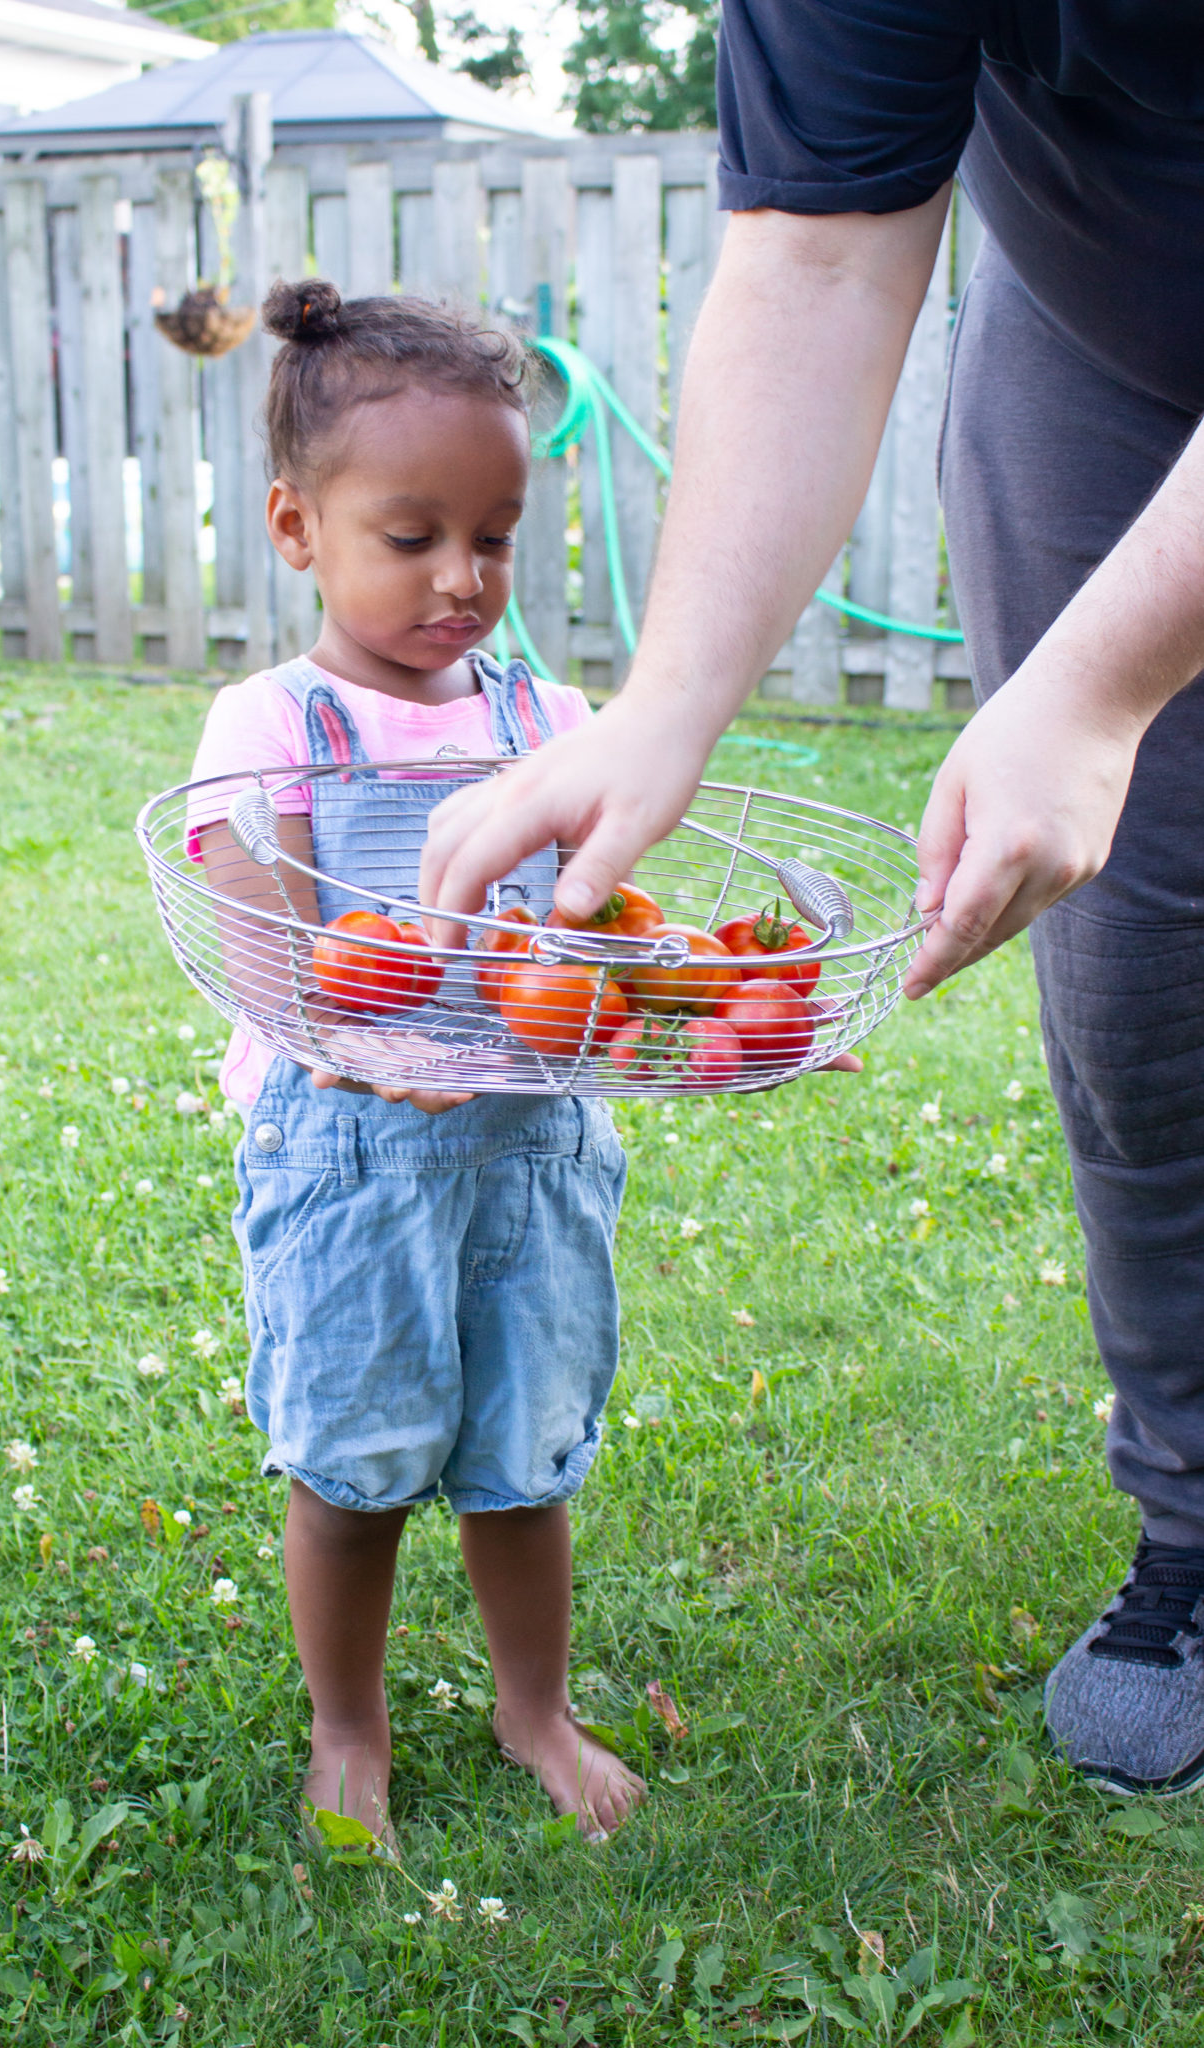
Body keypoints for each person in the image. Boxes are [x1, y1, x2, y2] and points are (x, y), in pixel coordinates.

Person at [421, 9, 1204, 1796]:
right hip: (1096, 333)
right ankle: (1197, 1530)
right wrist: (667, 699)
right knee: (1139, 982)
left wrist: (1088, 694)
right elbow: (821, 253)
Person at [185, 279, 643, 1848]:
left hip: (530, 1151)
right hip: (350, 1164)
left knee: (524, 1457)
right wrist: (355, 1044)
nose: (464, 577)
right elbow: (260, 941)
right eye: (411, 535)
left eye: (497, 535)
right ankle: (349, 1734)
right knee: (357, 1462)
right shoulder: (273, 724)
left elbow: (603, 933)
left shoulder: (549, 714)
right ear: (298, 527)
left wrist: (708, 1009)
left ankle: (534, 1712)